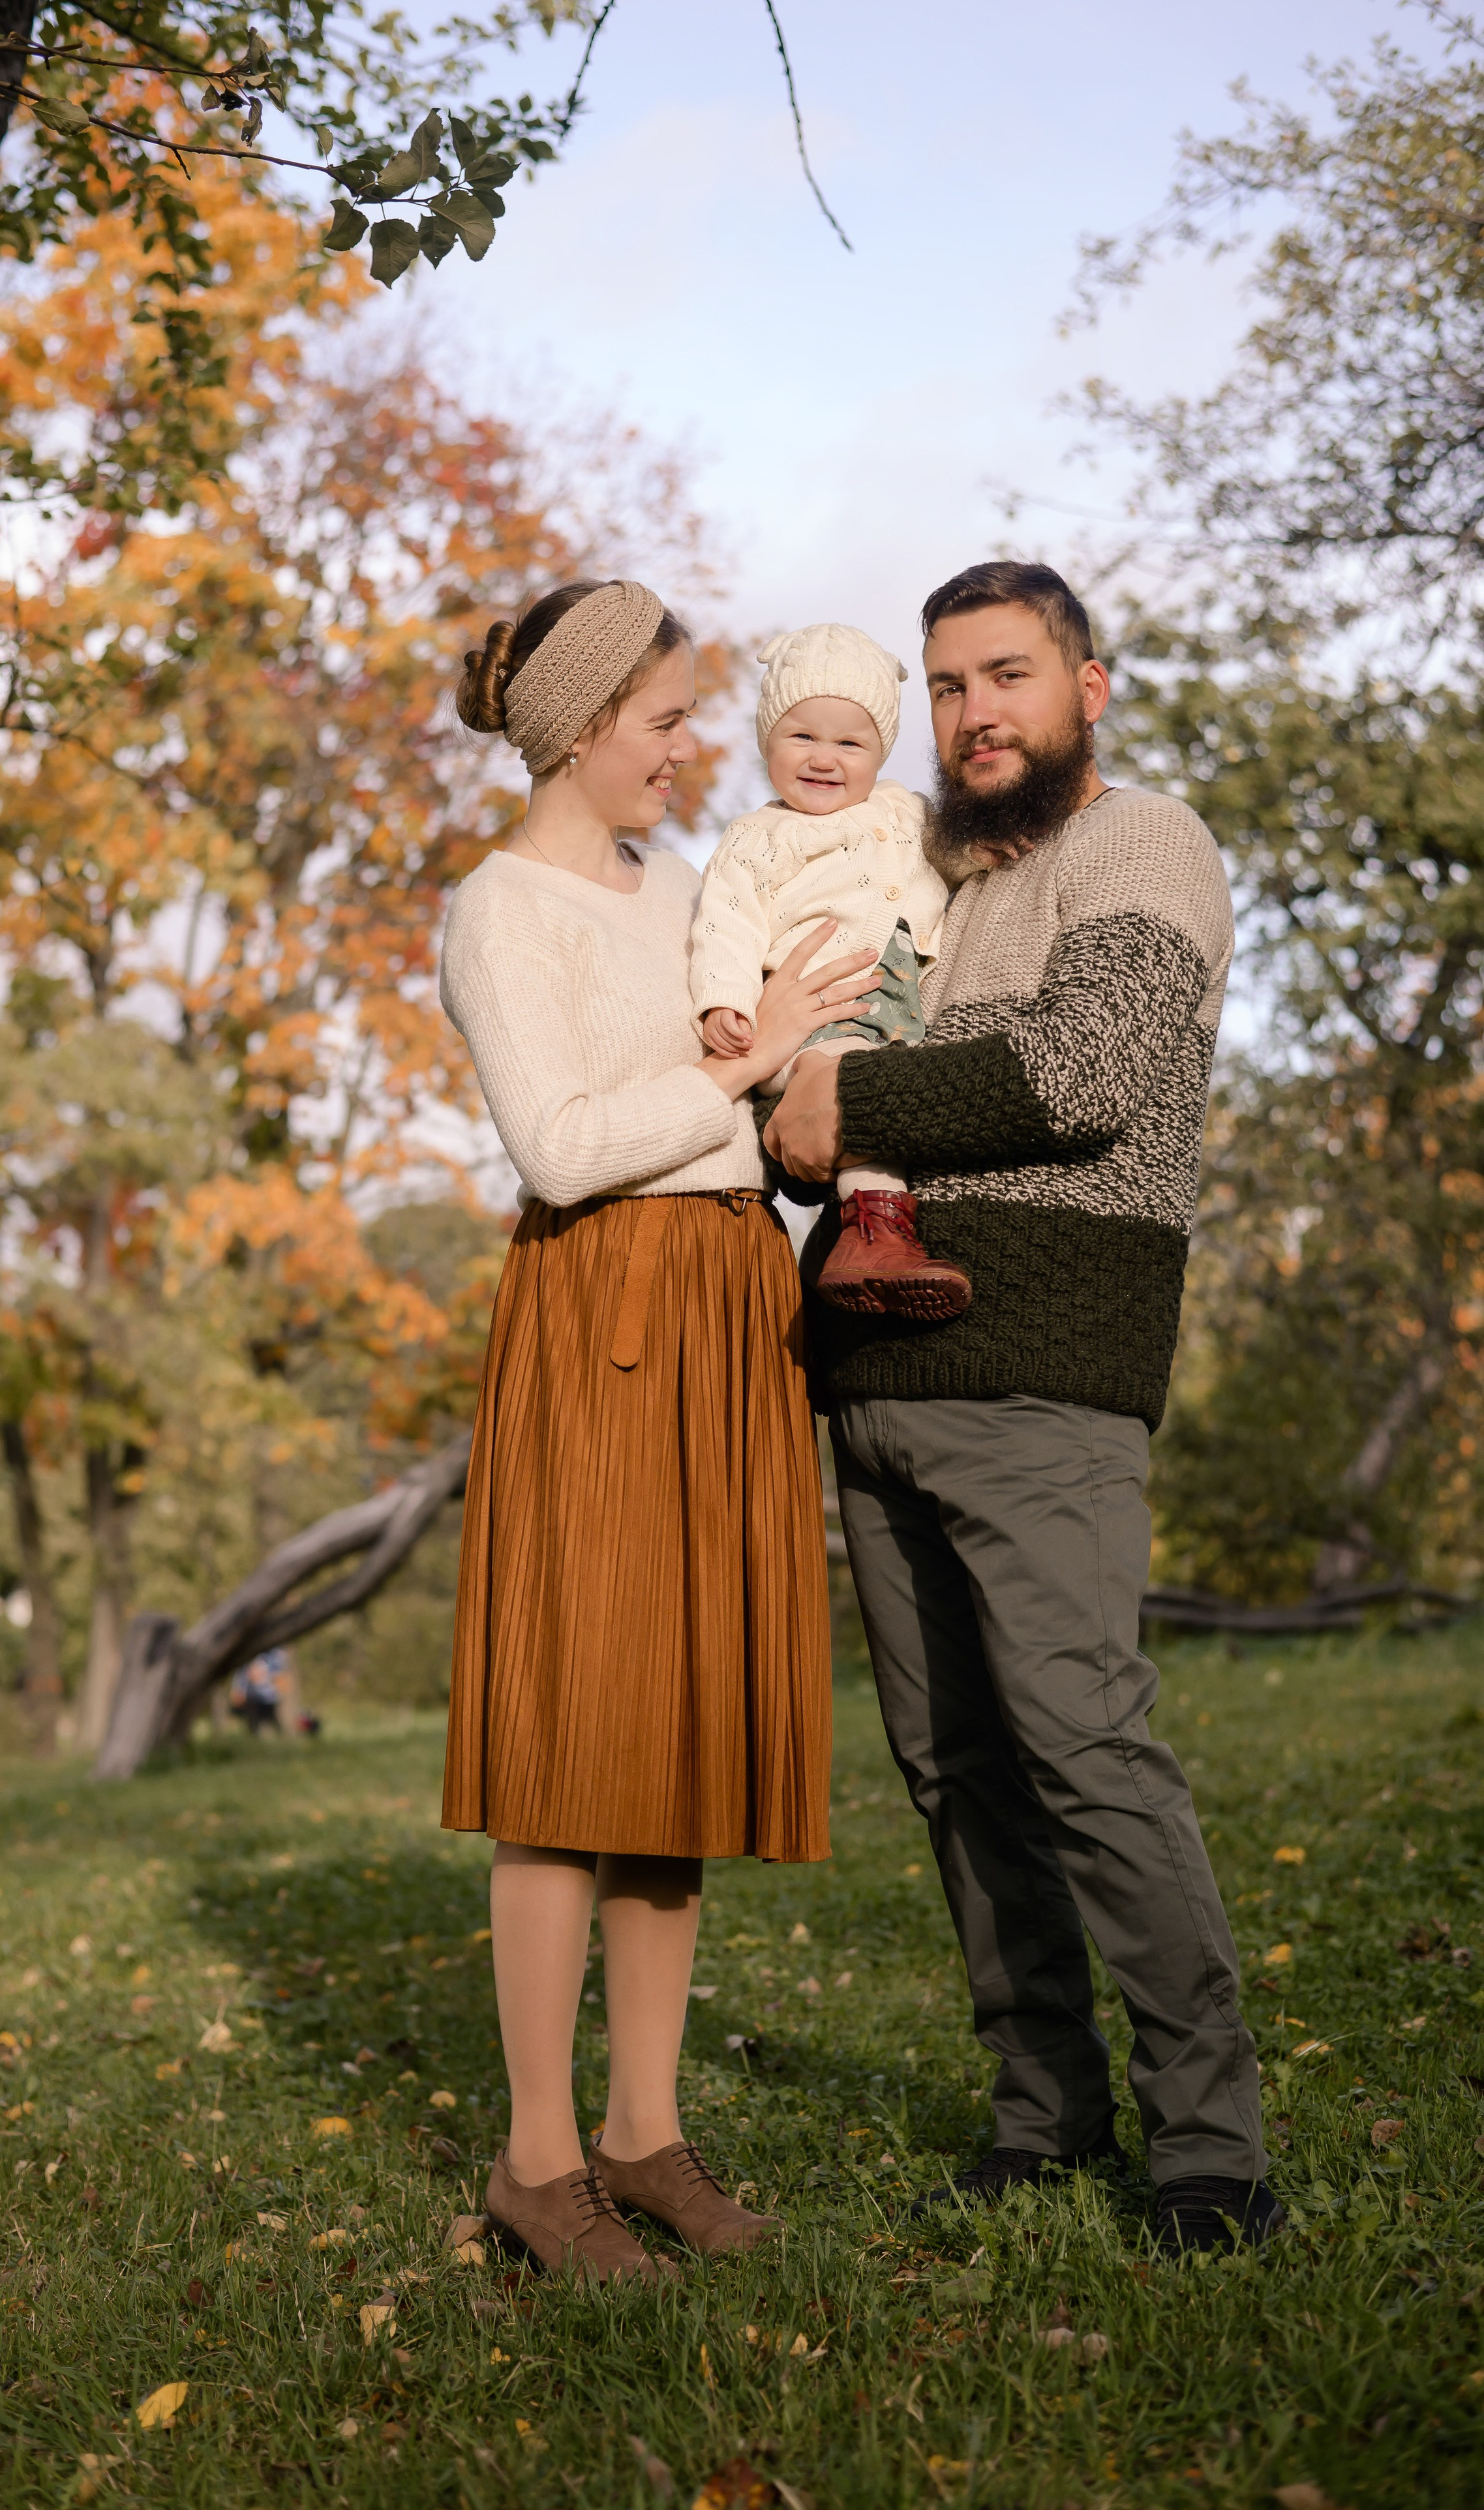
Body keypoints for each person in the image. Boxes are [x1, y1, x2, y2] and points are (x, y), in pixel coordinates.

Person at [764, 560, 1280, 2258]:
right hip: (881, 1387)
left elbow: (1089, 1070)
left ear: (1088, 685)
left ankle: (1210, 2150)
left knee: (1082, 1746)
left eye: (1008, 674)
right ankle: (1040, 2112)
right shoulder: (931, 879)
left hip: (1045, 1380)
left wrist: (841, 1099)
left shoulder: (1140, 842)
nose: (976, 712)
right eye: (949, 686)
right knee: (953, 1770)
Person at [441, 577, 875, 2284]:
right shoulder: (500, 907)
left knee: (677, 1736)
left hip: (728, 1303)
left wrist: (828, 1058)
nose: (695, 752)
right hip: (603, 1310)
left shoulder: (693, 889)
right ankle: (537, 2164)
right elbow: (555, 1146)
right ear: (578, 728)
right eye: (670, 720)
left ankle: (641, 2134)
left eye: (695, 719)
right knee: (575, 1745)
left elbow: (757, 1117)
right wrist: (736, 1068)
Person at [691, 622, 973, 1320]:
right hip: (816, 1014)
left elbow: (960, 858)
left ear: (879, 752)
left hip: (892, 1011)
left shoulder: (904, 811)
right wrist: (723, 1002)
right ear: (768, 742)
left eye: (849, 742)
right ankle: (874, 1233)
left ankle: (873, 1236)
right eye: (801, 736)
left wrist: (996, 853)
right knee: (854, 1088)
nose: (823, 758)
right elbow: (723, 922)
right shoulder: (758, 836)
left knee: (901, 1098)